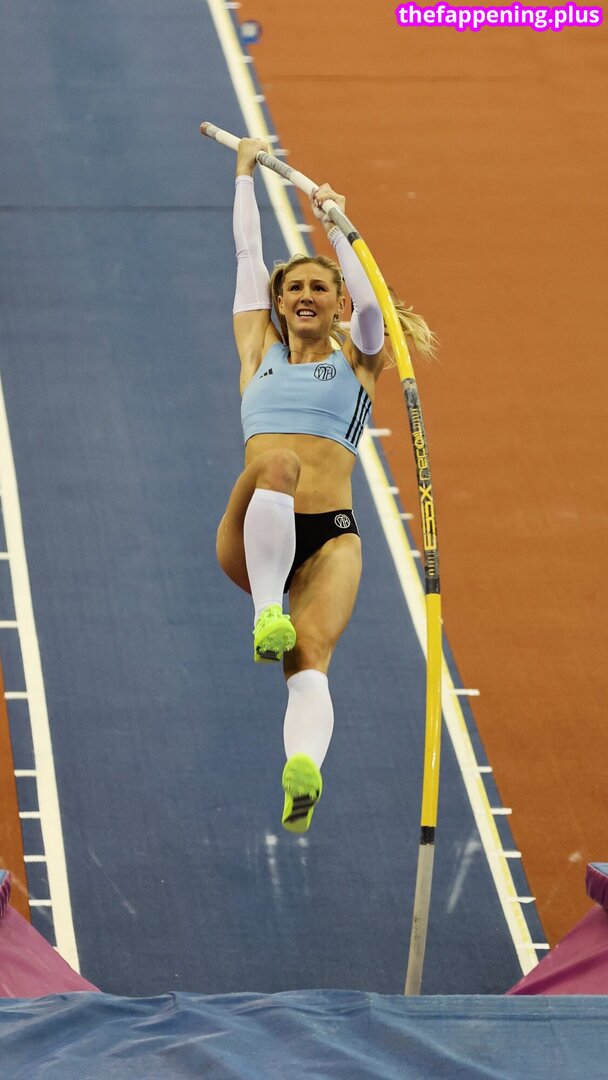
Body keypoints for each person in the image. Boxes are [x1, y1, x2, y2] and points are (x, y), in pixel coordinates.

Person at [216, 138, 435, 833]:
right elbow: (248, 255)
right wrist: (244, 174)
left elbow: (372, 305)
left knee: (309, 657)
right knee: (280, 462)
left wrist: (337, 226)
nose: (305, 295)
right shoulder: (257, 348)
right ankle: (266, 614)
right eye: (295, 288)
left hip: (330, 538)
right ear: (279, 303)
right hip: (252, 530)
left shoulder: (360, 358)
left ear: (337, 302)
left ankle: (303, 772)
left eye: (320, 287)